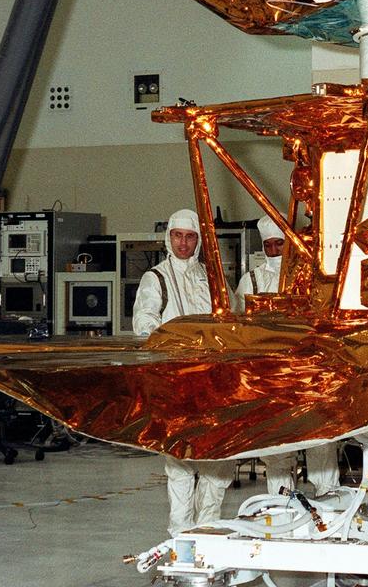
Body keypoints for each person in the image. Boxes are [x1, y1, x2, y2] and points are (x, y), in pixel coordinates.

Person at [131, 209, 233, 535]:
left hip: (213, 381)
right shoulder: (155, 278)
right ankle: (181, 536)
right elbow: (143, 323)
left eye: (190, 237)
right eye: (178, 236)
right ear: (168, 238)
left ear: (198, 241)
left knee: (218, 463)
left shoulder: (212, 277)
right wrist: (175, 343)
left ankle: (208, 531)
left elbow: (233, 321)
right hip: (175, 381)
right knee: (179, 464)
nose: (183, 243)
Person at [237, 216, 340, 496]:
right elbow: (241, 330)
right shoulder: (252, 280)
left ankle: (328, 498)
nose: (273, 250)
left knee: (320, 440)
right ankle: (281, 506)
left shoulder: (309, 280)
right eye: (268, 245)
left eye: (279, 244)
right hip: (271, 376)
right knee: (278, 449)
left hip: (308, 373)